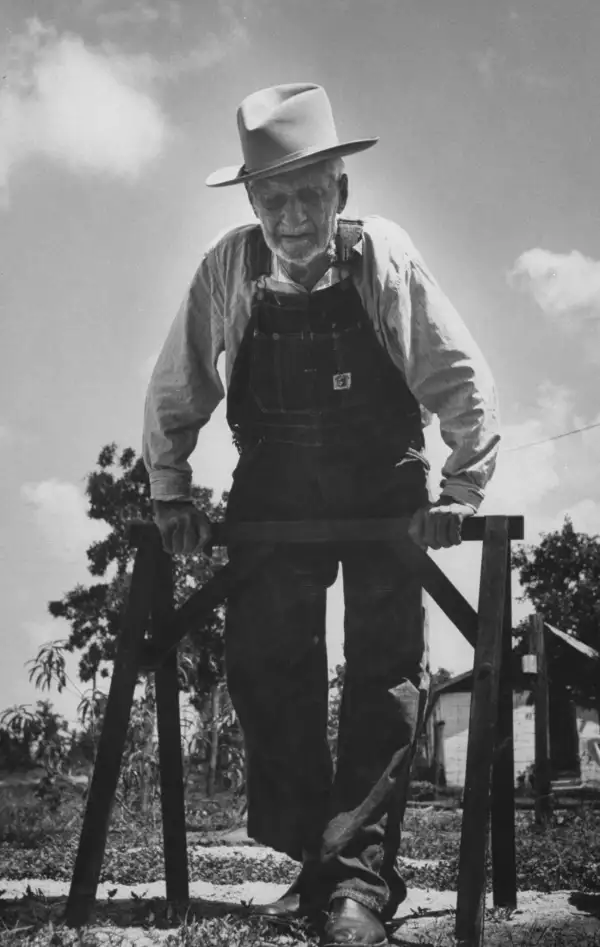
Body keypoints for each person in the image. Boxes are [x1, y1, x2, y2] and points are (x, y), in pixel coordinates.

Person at [143, 82, 500, 947]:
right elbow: (177, 385)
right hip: (276, 488)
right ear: (253, 199)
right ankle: (322, 855)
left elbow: (460, 376)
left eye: (311, 193)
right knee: (266, 663)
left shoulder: (383, 258)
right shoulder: (228, 269)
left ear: (341, 192)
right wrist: (170, 488)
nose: (293, 215)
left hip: (383, 488)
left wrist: (460, 490)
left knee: (385, 675)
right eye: (276, 197)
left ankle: (358, 886)